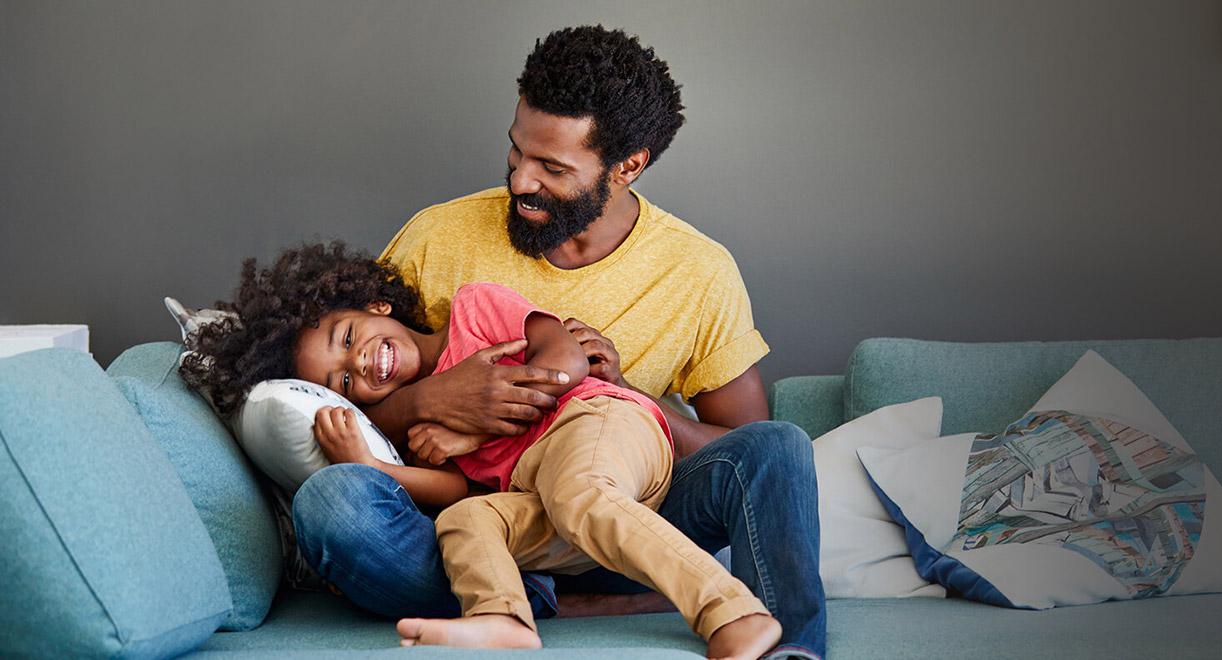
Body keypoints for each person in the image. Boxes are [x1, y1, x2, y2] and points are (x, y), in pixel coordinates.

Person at [290, 25, 826, 660]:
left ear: (629, 165)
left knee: (777, 448)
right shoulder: (438, 238)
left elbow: (739, 450)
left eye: (552, 167)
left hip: (627, 505)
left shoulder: (698, 271)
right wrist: (438, 400)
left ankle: (781, 644)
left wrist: (621, 393)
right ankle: (538, 605)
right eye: (516, 153)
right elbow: (359, 379)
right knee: (334, 505)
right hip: (503, 522)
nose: (520, 182)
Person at [181, 243, 781, 658]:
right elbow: (456, 492)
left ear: (375, 307)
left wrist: (472, 431)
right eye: (342, 382)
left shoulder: (473, 308)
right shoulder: (415, 431)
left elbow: (568, 358)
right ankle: (504, 618)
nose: (359, 362)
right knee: (468, 522)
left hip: (600, 422)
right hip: (536, 485)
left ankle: (732, 611)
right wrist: (370, 467)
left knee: (580, 493)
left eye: (348, 339)